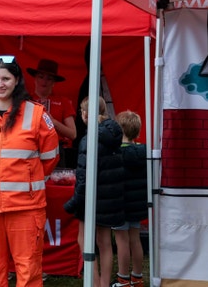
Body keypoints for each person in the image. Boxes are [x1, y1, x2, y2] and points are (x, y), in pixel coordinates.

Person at [0, 56, 60, 287]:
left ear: (17, 81)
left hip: (25, 208)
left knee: (28, 270)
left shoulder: (35, 114)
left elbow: (50, 157)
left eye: (6, 78)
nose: (0, 84)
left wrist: (27, 180)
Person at [64, 96, 124, 287]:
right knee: (105, 242)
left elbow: (83, 177)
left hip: (92, 199)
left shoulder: (89, 139)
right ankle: (104, 284)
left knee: (84, 240)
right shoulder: (114, 135)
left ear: (85, 114)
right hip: (110, 198)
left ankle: (95, 282)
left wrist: (74, 202)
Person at [111, 111, 147, 287]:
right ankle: (137, 277)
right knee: (135, 239)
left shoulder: (115, 153)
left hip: (119, 203)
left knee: (121, 241)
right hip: (138, 204)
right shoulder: (143, 152)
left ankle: (123, 279)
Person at [27, 59, 77, 167]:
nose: (44, 81)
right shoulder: (25, 100)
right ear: (35, 79)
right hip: (30, 147)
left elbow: (73, 134)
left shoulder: (63, 102)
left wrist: (52, 121)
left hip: (56, 149)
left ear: (54, 82)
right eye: (41, 77)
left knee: (55, 182)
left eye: (49, 79)